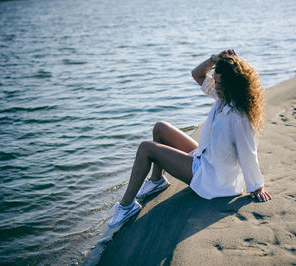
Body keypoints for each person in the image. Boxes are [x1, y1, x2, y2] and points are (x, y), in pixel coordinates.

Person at [108, 49, 272, 228]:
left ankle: (126, 206)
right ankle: (156, 182)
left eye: (219, 82)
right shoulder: (224, 97)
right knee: (160, 128)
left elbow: (248, 153)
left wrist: (256, 186)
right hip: (206, 160)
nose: (215, 85)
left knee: (146, 148)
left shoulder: (239, 117)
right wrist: (215, 59)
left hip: (212, 179)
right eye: (215, 80)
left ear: (231, 84)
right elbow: (197, 74)